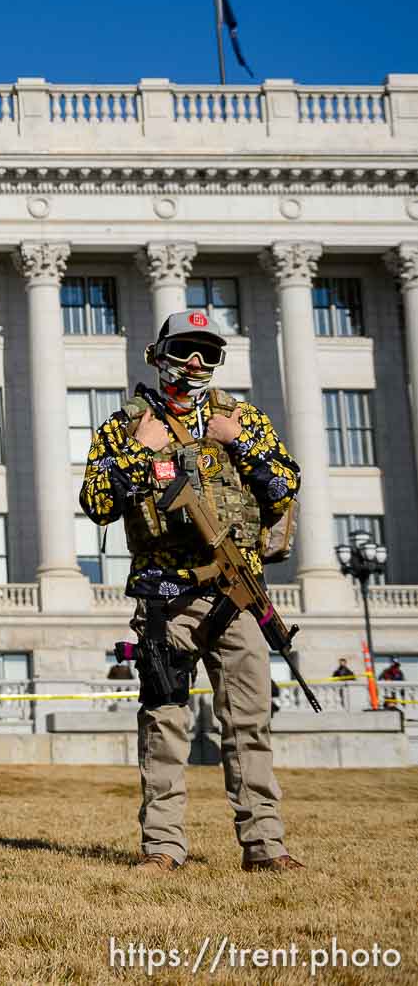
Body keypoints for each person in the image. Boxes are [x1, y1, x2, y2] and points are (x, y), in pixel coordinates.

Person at [80, 309, 306, 872]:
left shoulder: (241, 419)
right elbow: (96, 502)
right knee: (164, 720)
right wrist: (140, 452)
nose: (196, 363)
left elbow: (286, 486)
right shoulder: (125, 424)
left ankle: (265, 846)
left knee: (249, 722)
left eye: (207, 352)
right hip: (164, 597)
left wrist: (242, 446)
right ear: (158, 357)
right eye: (183, 350)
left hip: (239, 596)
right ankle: (163, 847)